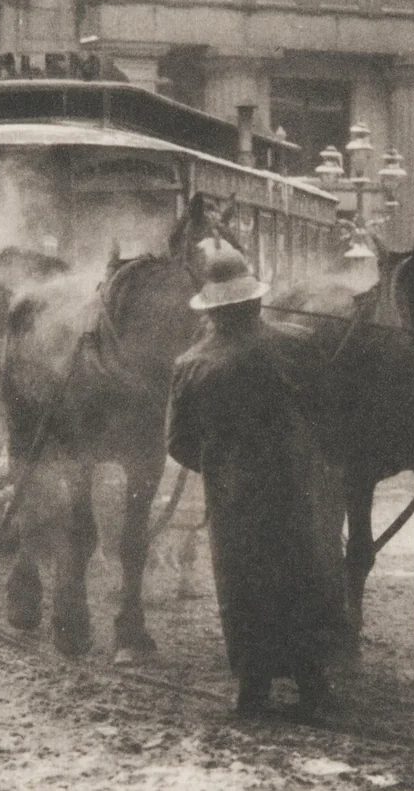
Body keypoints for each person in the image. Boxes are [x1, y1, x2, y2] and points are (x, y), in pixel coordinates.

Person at [166, 246, 346, 717]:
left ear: (212, 310)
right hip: (295, 485)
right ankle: (313, 686)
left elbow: (178, 443)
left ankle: (253, 689)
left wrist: (222, 467)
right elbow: (329, 413)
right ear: (255, 300)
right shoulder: (298, 344)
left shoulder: (190, 364)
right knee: (302, 575)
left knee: (242, 583)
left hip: (233, 495)